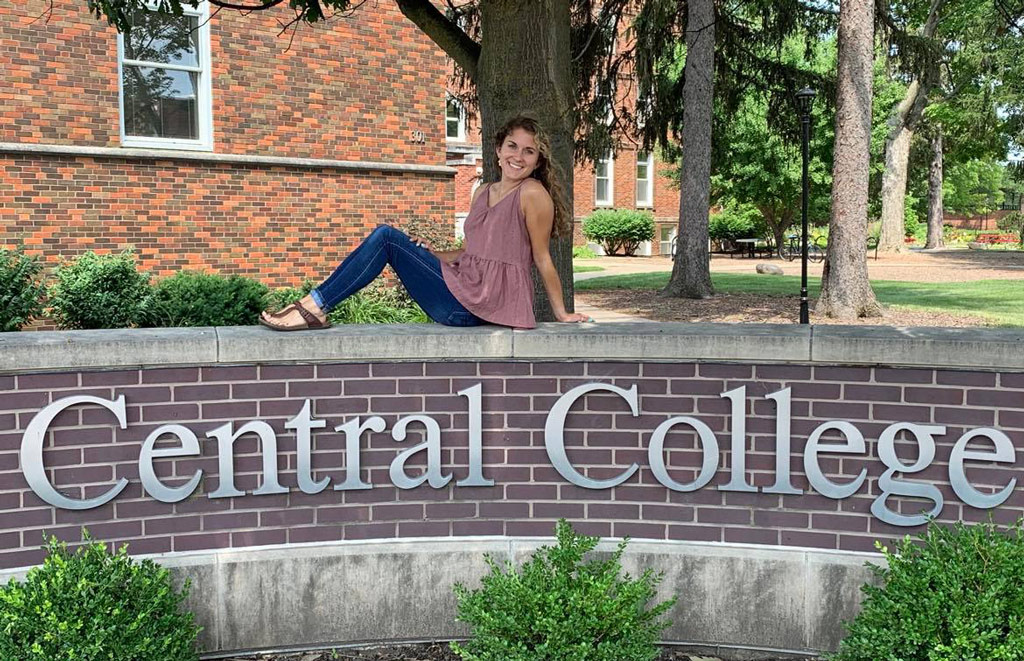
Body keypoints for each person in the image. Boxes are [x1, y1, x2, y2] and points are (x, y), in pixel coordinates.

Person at [259, 114, 591, 331]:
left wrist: (561, 313)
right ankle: (313, 306)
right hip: (462, 292)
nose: (518, 157)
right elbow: (470, 253)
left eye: (529, 152)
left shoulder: (532, 194)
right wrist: (435, 255)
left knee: (386, 238)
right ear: (497, 149)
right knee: (392, 240)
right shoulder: (482, 191)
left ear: (537, 161)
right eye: (512, 146)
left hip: (479, 307)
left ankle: (312, 307)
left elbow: (542, 257)